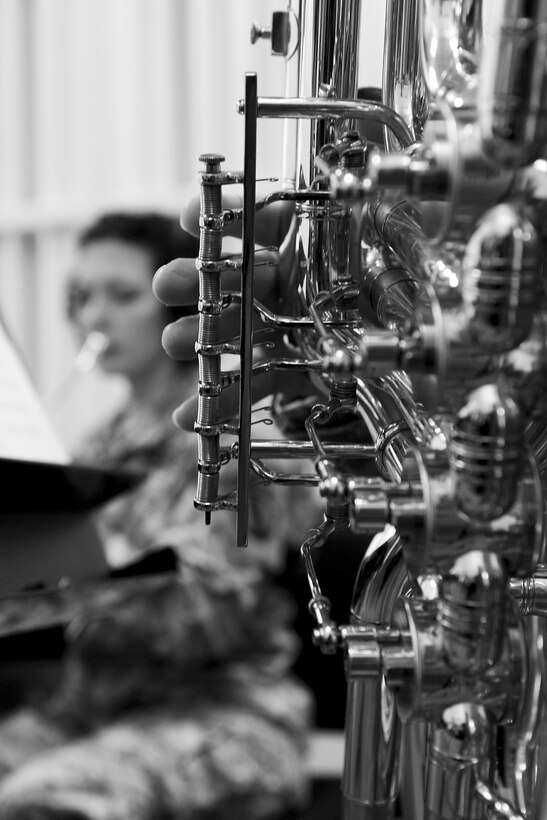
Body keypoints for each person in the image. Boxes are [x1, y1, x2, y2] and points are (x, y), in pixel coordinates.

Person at [0, 211, 314, 820]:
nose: (93, 316)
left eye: (120, 296)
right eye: (80, 297)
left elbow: (213, 611)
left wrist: (72, 580)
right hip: (89, 712)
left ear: (173, 311)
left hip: (222, 715)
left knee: (45, 802)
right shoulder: (95, 448)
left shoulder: (233, 434)